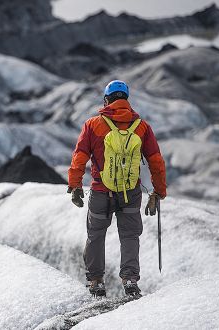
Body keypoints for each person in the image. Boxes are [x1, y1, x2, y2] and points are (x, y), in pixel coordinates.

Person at [67, 80, 167, 297]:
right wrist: (158, 192)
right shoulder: (141, 127)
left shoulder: (93, 124)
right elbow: (155, 161)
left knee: (96, 234)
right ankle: (130, 280)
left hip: (100, 191)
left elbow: (79, 157)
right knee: (129, 235)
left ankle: (96, 283)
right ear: (126, 99)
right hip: (130, 192)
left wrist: (74, 185)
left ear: (106, 100)